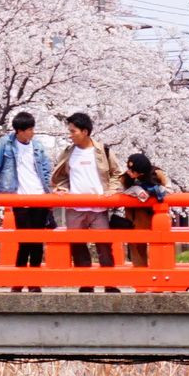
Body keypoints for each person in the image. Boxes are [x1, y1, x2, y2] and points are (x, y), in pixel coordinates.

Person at [0, 110, 54, 275]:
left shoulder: (37, 146)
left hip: (39, 196)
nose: (32, 132)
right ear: (19, 131)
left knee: (37, 241)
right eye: (29, 129)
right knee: (24, 240)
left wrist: (50, 192)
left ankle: (34, 280)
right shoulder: (6, 143)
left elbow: (46, 171)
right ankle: (20, 278)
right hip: (19, 197)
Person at [53, 112, 113, 280]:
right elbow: (60, 176)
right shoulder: (68, 153)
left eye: (73, 131)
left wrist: (112, 190)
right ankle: (85, 282)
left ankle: (110, 282)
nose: (70, 135)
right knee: (77, 245)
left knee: (104, 246)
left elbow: (117, 173)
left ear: (85, 131)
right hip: (75, 207)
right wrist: (62, 188)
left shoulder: (103, 151)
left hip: (99, 207)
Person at [115, 150, 166, 275]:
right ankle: (140, 277)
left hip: (154, 217)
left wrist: (153, 192)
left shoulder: (157, 174)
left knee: (158, 246)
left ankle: (159, 274)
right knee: (137, 247)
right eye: (128, 169)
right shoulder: (125, 178)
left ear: (141, 172)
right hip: (134, 218)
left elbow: (168, 190)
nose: (129, 172)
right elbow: (117, 191)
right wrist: (134, 190)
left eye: (132, 171)